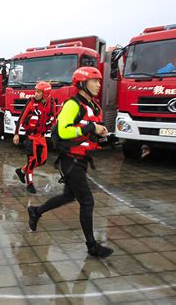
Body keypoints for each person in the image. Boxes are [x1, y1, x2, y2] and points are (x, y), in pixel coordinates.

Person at [27, 67, 114, 258]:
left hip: (81, 159)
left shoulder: (93, 105)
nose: (99, 85)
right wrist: (91, 127)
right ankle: (92, 246)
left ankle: (36, 211)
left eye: (99, 81)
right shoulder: (72, 105)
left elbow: (86, 127)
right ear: (82, 84)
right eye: (95, 81)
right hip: (70, 161)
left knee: (68, 197)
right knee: (87, 201)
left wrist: (98, 131)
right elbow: (64, 130)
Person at [13, 81, 56, 194]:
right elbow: (21, 118)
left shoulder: (51, 103)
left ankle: (22, 170)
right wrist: (16, 134)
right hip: (31, 137)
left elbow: (54, 119)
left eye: (38, 92)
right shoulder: (31, 103)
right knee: (32, 161)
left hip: (41, 137)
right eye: (35, 91)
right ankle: (30, 184)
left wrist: (56, 135)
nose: (35, 94)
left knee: (42, 160)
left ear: (46, 94)